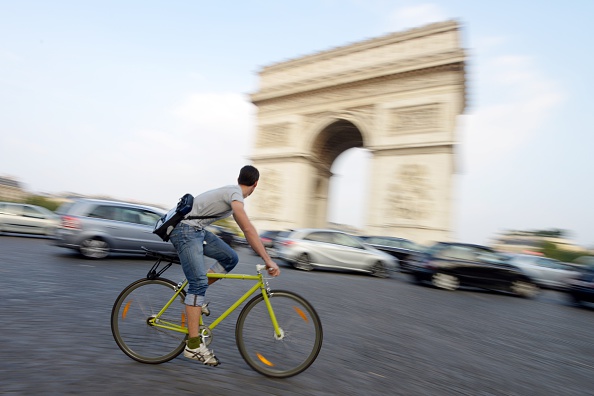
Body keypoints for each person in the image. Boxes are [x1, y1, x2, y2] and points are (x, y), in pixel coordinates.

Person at [168, 165, 280, 366]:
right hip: (185, 230)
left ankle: (195, 296)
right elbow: (247, 228)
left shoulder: (231, 190)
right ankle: (193, 346)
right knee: (198, 284)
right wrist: (267, 259)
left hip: (196, 230)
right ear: (255, 184)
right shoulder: (236, 195)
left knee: (231, 258)